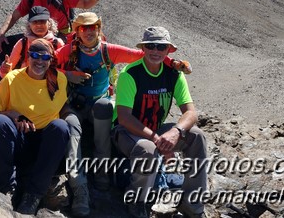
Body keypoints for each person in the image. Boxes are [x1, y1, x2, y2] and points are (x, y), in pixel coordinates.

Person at [55, 13, 192, 217]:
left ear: (99, 29)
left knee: (103, 107)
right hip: (73, 104)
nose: (89, 31)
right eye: (83, 28)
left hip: (99, 105)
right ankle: (80, 187)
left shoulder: (107, 51)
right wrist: (68, 75)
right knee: (72, 128)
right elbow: (48, 66)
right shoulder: (68, 51)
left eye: (93, 27)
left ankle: (102, 175)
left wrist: (172, 63)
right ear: (77, 31)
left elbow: (144, 55)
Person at [112, 27, 207, 218]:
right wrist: (159, 141)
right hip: (126, 131)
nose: (156, 51)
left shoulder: (174, 74)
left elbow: (190, 112)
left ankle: (192, 203)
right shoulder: (130, 74)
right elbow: (124, 117)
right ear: (144, 48)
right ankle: (138, 201)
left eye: (161, 47)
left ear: (168, 50)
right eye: (151, 46)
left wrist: (176, 132)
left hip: (156, 129)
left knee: (197, 136)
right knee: (147, 150)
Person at [0, 39, 71, 215]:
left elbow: (62, 107)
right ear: (27, 56)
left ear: (50, 60)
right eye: (34, 55)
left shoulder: (59, 80)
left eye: (44, 57)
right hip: (19, 139)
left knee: (61, 126)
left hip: (44, 144)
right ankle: (6, 189)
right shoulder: (11, 79)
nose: (39, 61)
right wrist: (14, 115)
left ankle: (33, 195)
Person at [0, 6, 65, 79]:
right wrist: (4, 69)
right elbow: (6, 74)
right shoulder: (22, 43)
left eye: (42, 21)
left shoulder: (57, 43)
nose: (39, 25)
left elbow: (64, 70)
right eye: (35, 22)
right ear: (29, 25)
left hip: (48, 84)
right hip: (24, 83)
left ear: (49, 24)